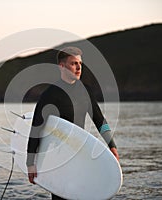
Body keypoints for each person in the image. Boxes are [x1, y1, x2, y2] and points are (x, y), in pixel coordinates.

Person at [26, 46, 119, 200]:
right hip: (58, 158)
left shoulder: (85, 90)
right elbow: (37, 128)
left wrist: (112, 145)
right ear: (62, 66)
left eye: (80, 64)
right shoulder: (50, 94)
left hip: (79, 154)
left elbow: (99, 119)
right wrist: (31, 162)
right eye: (73, 63)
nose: (78, 67)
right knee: (61, 196)